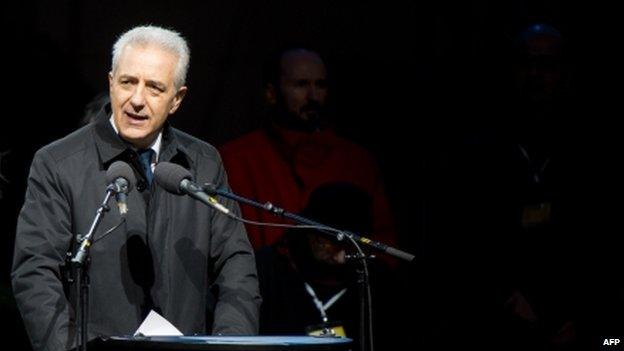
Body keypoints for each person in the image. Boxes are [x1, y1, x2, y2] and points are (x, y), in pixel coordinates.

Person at [11, 25, 261, 351]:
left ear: (177, 99)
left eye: (155, 88)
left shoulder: (202, 161)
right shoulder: (57, 163)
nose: (137, 100)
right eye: (128, 82)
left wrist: (230, 344)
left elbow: (236, 266)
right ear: (111, 82)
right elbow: (35, 273)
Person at [218, 47, 396, 253]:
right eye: (301, 85)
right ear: (271, 93)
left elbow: (384, 243)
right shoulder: (236, 159)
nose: (313, 96)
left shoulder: (357, 161)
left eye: (320, 85)